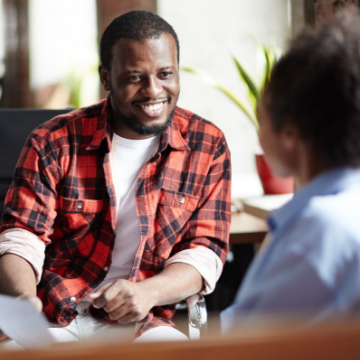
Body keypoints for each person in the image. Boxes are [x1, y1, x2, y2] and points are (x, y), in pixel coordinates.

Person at [0, 10, 231, 346]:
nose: (153, 91)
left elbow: (204, 251)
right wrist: (23, 301)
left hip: (143, 319)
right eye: (134, 77)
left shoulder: (207, 144)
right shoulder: (53, 140)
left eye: (165, 73)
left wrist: (147, 293)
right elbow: (22, 236)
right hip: (51, 315)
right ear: (106, 78)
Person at [221, 9, 360, 332]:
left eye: (262, 119)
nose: (258, 135)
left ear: (290, 132)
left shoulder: (318, 232)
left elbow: (245, 344)